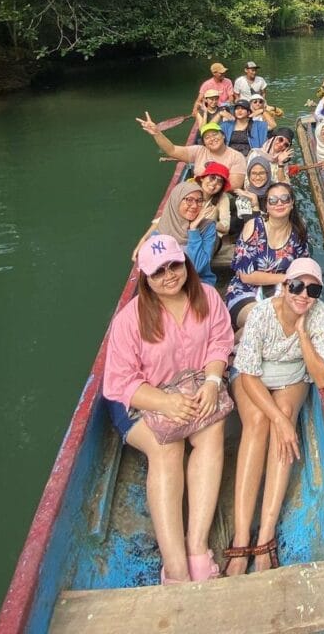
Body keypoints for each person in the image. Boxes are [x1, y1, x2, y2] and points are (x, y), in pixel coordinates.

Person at [103, 236, 234, 584]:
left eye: (174, 265)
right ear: (146, 278)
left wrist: (212, 382)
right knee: (168, 448)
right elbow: (119, 383)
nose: (169, 275)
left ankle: (197, 546)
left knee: (212, 430)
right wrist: (165, 403)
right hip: (141, 401)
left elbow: (220, 342)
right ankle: (175, 566)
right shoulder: (129, 320)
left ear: (185, 264)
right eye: (158, 271)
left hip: (193, 387)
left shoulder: (207, 297)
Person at [223, 257, 324, 576]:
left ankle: (266, 534)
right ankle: (242, 535)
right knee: (259, 422)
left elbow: (323, 378)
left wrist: (302, 334)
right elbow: (248, 374)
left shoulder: (319, 314)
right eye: (297, 286)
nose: (304, 295)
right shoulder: (262, 313)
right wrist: (279, 419)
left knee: (286, 412)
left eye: (313, 290)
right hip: (253, 375)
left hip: (291, 376)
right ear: (285, 286)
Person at [225, 182, 310, 339]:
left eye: (285, 199)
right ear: (267, 205)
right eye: (273, 200)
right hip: (245, 290)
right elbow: (246, 276)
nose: (279, 203)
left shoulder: (298, 231)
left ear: (292, 203)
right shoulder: (254, 227)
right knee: (263, 319)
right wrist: (285, 278)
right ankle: (231, 348)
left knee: (293, 322)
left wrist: (288, 286)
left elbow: (302, 268)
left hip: (281, 292)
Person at [132, 180, 218, 284]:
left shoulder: (207, 227)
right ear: (176, 201)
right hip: (169, 284)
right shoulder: (160, 232)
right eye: (189, 200)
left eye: (199, 201)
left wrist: (193, 230)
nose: (195, 206)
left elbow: (197, 267)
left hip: (198, 283)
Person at [136, 114, 246, 190]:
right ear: (204, 142)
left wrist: (208, 189)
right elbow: (172, 150)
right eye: (207, 137)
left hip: (221, 196)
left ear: (223, 136)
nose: (212, 139)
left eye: (215, 134)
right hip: (197, 193)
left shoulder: (236, 156)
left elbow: (234, 186)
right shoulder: (199, 151)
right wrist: (157, 133)